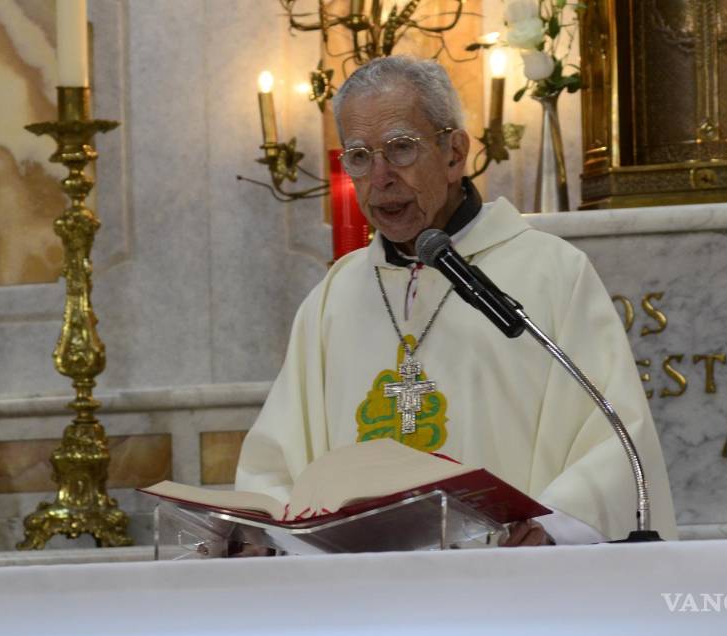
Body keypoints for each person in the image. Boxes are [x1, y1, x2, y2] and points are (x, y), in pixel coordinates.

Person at [235, 55, 676, 545]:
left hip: (508, 576)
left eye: (400, 149)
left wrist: (554, 529)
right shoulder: (333, 299)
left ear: (454, 153)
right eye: (359, 156)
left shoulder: (551, 273)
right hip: (364, 585)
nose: (380, 177)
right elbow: (275, 465)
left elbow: (613, 437)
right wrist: (264, 536)